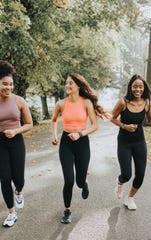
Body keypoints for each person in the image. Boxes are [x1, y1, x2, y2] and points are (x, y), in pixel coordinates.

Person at [51, 73, 109, 224]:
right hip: (66, 143)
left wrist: (80, 134)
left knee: (79, 181)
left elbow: (95, 125)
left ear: (78, 86)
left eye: (71, 83)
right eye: (66, 83)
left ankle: (84, 183)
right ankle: (67, 210)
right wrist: (54, 136)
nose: (67, 85)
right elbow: (54, 120)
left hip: (82, 143)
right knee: (69, 180)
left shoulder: (87, 103)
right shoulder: (61, 104)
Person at [0, 61, 33, 227]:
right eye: (5, 84)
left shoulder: (19, 101)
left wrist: (15, 131)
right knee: (5, 178)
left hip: (16, 141)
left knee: (18, 178)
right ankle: (11, 212)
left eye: (11, 84)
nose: (8, 87)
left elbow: (29, 124)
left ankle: (18, 191)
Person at [110, 74, 151, 210]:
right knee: (127, 174)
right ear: (131, 87)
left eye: (140, 87)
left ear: (143, 88)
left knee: (140, 174)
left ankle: (130, 199)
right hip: (124, 142)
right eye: (135, 86)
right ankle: (119, 181)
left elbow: (150, 120)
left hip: (139, 141)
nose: (138, 89)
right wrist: (124, 126)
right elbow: (112, 118)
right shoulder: (123, 102)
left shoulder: (147, 102)